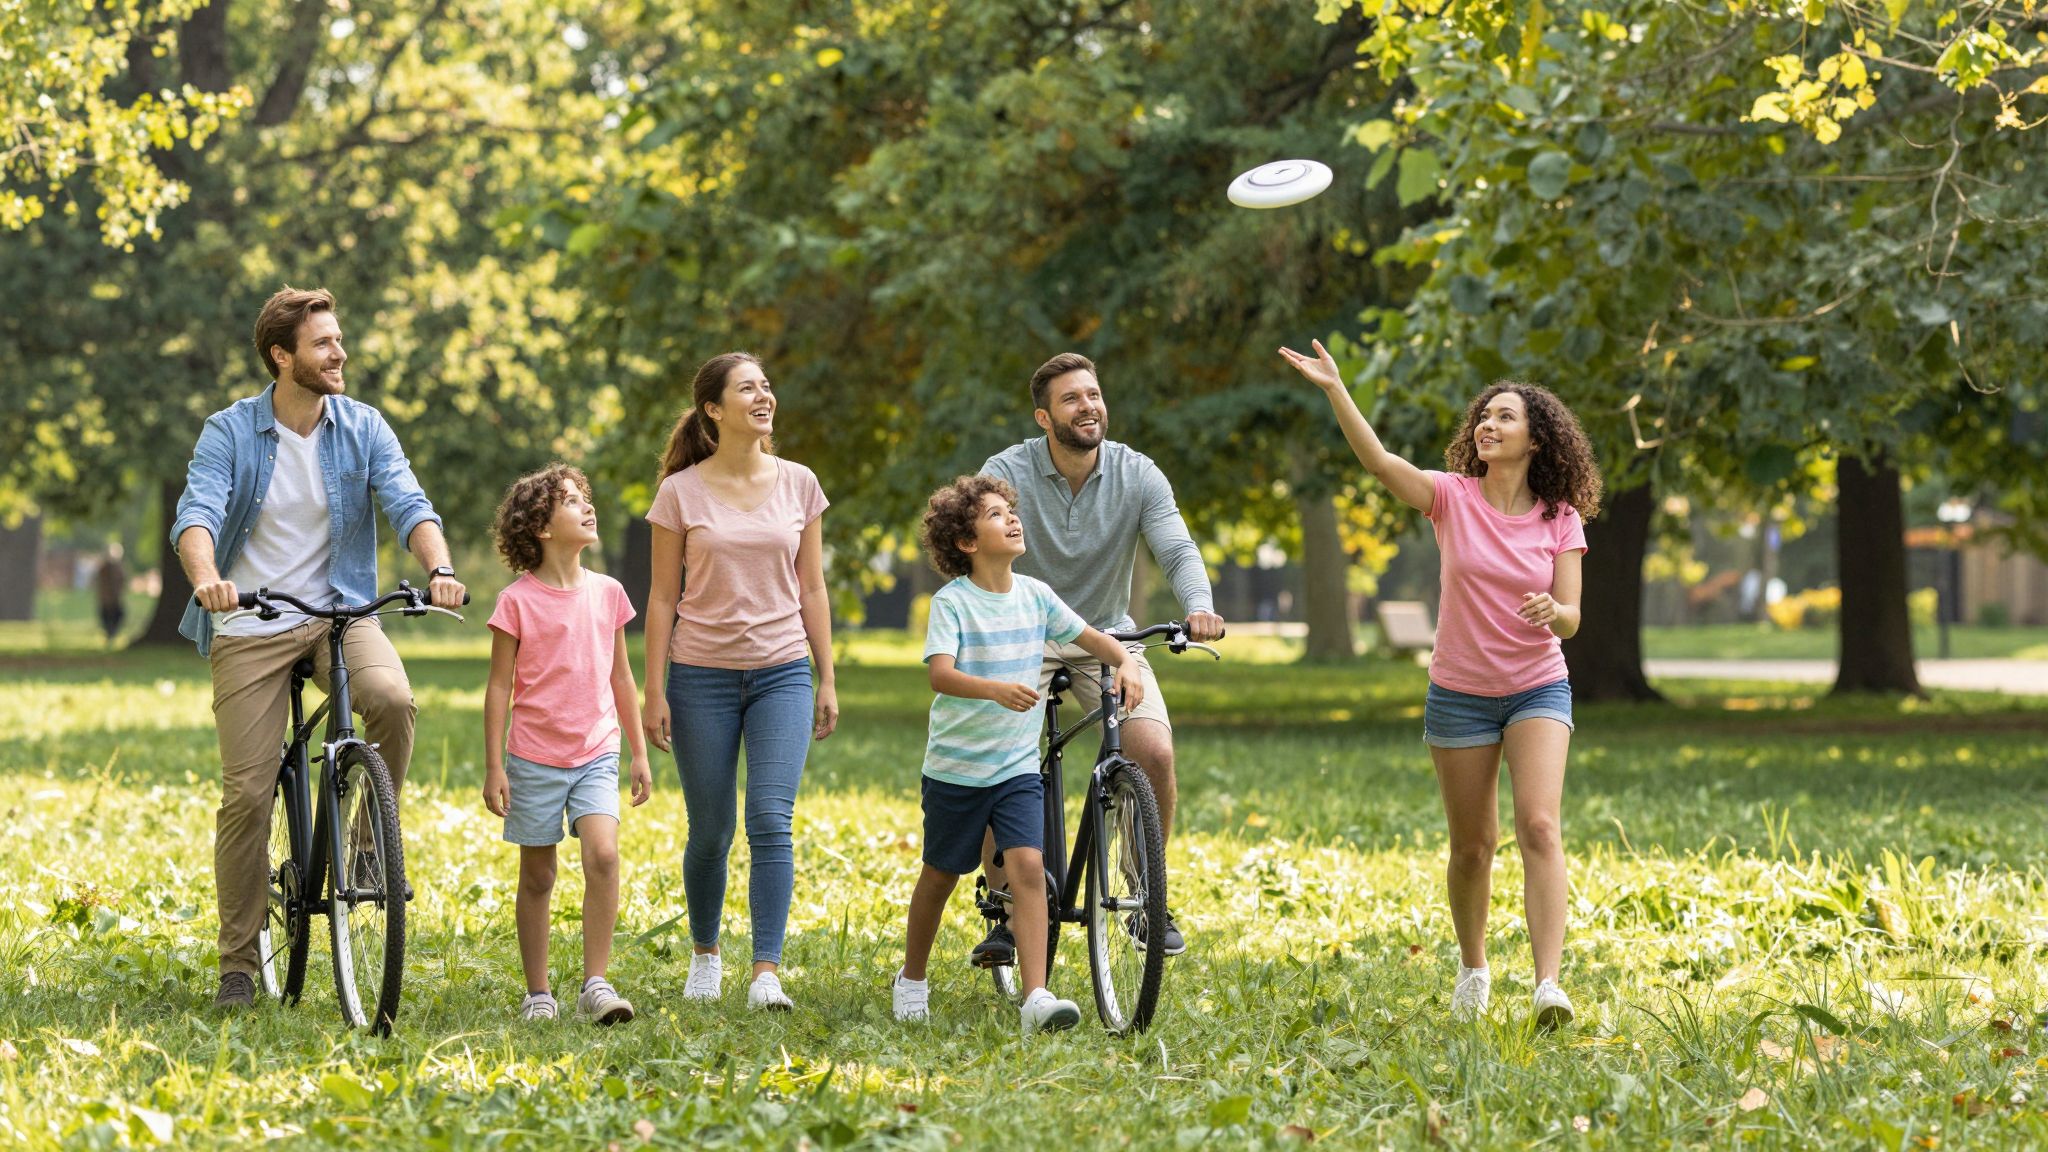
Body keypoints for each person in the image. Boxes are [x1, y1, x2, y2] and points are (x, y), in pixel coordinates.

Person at [1282, 339, 1600, 1029]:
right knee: (1473, 844)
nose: (1488, 423)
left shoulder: (1560, 518)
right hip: (1459, 690)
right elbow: (1377, 461)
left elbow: (1572, 618)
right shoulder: (1451, 497)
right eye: (1484, 416)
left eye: (1506, 416)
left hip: (1536, 685)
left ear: (1537, 438)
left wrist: (1557, 610)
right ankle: (1474, 967)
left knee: (1539, 826)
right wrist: (1337, 388)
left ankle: (1549, 985)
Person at [172, 286, 466, 1011]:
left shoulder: (363, 427)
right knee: (246, 792)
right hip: (252, 621)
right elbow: (198, 512)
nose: (340, 353)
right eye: (324, 344)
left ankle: (365, 842)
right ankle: (239, 964)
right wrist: (209, 580)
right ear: (282, 356)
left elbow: (408, 503)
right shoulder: (231, 431)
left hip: (340, 612)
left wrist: (441, 569)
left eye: (338, 340)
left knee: (392, 701)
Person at [975, 352, 1223, 962]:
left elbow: (1177, 546)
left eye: (1094, 395)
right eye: (1071, 399)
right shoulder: (1006, 472)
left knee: (1153, 748)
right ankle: (1007, 910)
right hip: (1022, 633)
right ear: (1044, 417)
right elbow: (975, 545)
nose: (1088, 406)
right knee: (994, 762)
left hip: (1105, 637)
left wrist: (1200, 604)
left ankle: (1145, 894)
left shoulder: (1138, 474)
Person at [892, 475, 1143, 1034]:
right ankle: (912, 977)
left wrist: (1123, 661)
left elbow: (1091, 637)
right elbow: (940, 674)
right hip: (957, 769)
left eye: (1012, 510)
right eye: (995, 514)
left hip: (1014, 767)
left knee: (1029, 867)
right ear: (967, 542)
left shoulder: (1035, 595)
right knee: (941, 874)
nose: (1012, 518)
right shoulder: (953, 602)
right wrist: (995, 689)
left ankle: (1036, 996)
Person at [641, 352, 837, 1012]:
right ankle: (705, 952)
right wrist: (653, 690)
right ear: (713, 410)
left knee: (770, 819)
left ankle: (765, 971)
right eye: (748, 387)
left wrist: (827, 676)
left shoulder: (800, 484)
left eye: (767, 386)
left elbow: (812, 586)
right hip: (701, 678)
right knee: (712, 830)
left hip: (784, 671)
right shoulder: (680, 493)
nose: (765, 395)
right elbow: (663, 597)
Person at [483, 464, 652, 1024]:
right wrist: (494, 767)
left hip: (596, 752)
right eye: (573, 501)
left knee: (603, 854)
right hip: (532, 757)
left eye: (585, 498)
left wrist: (638, 752)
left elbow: (622, 678)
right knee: (539, 876)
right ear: (542, 527)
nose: (588, 507)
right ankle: (538, 994)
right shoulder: (517, 602)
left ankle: (595, 984)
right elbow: (499, 687)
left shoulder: (609, 594)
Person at [94, 543, 126, 646]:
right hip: (108, 598)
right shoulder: (107, 568)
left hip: (112, 598)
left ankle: (111, 633)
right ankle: (110, 633)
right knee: (109, 616)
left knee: (114, 616)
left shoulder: (113, 568)